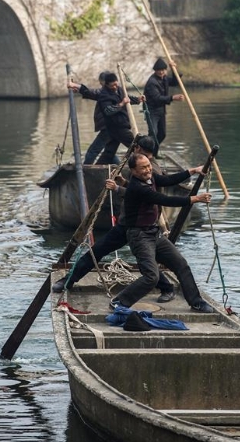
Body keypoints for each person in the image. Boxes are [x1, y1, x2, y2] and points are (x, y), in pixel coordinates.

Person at [52, 135, 175, 301]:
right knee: (97, 251)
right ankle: (68, 280)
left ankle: (167, 288)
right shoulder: (135, 165)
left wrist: (117, 188)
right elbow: (134, 192)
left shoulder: (150, 169)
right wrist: (123, 183)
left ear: (138, 149)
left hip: (142, 228)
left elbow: (143, 196)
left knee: (146, 262)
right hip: (128, 224)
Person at [110, 153, 214, 312]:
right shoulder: (137, 187)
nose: (147, 170)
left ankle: (196, 302)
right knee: (152, 277)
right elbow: (165, 200)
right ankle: (119, 301)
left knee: (181, 265)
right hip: (139, 236)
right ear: (133, 171)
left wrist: (193, 170)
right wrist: (196, 198)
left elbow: (168, 180)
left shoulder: (150, 177)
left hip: (154, 233)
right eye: (143, 168)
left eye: (148, 166)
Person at [67, 71, 119, 165]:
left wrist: (76, 86)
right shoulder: (113, 91)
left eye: (101, 83)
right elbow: (93, 94)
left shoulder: (107, 92)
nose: (101, 85)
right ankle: (120, 167)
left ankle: (85, 171)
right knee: (109, 151)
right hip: (114, 126)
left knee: (92, 151)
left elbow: (93, 92)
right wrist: (79, 90)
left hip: (108, 127)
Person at [96, 73, 144, 164]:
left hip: (120, 125)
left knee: (109, 152)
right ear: (106, 85)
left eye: (116, 84)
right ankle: (143, 164)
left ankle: (96, 168)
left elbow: (127, 98)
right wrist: (121, 104)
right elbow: (108, 110)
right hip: (116, 127)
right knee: (136, 146)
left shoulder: (120, 89)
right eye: (112, 85)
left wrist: (138, 100)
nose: (115, 86)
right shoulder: (104, 95)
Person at [144, 58, 184, 156]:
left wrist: (173, 69)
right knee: (153, 133)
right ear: (155, 71)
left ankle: (154, 153)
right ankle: (147, 153)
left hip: (161, 110)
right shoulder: (151, 82)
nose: (161, 72)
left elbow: (175, 82)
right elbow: (157, 98)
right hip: (151, 111)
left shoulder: (165, 78)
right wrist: (172, 98)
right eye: (159, 70)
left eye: (163, 70)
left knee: (162, 134)